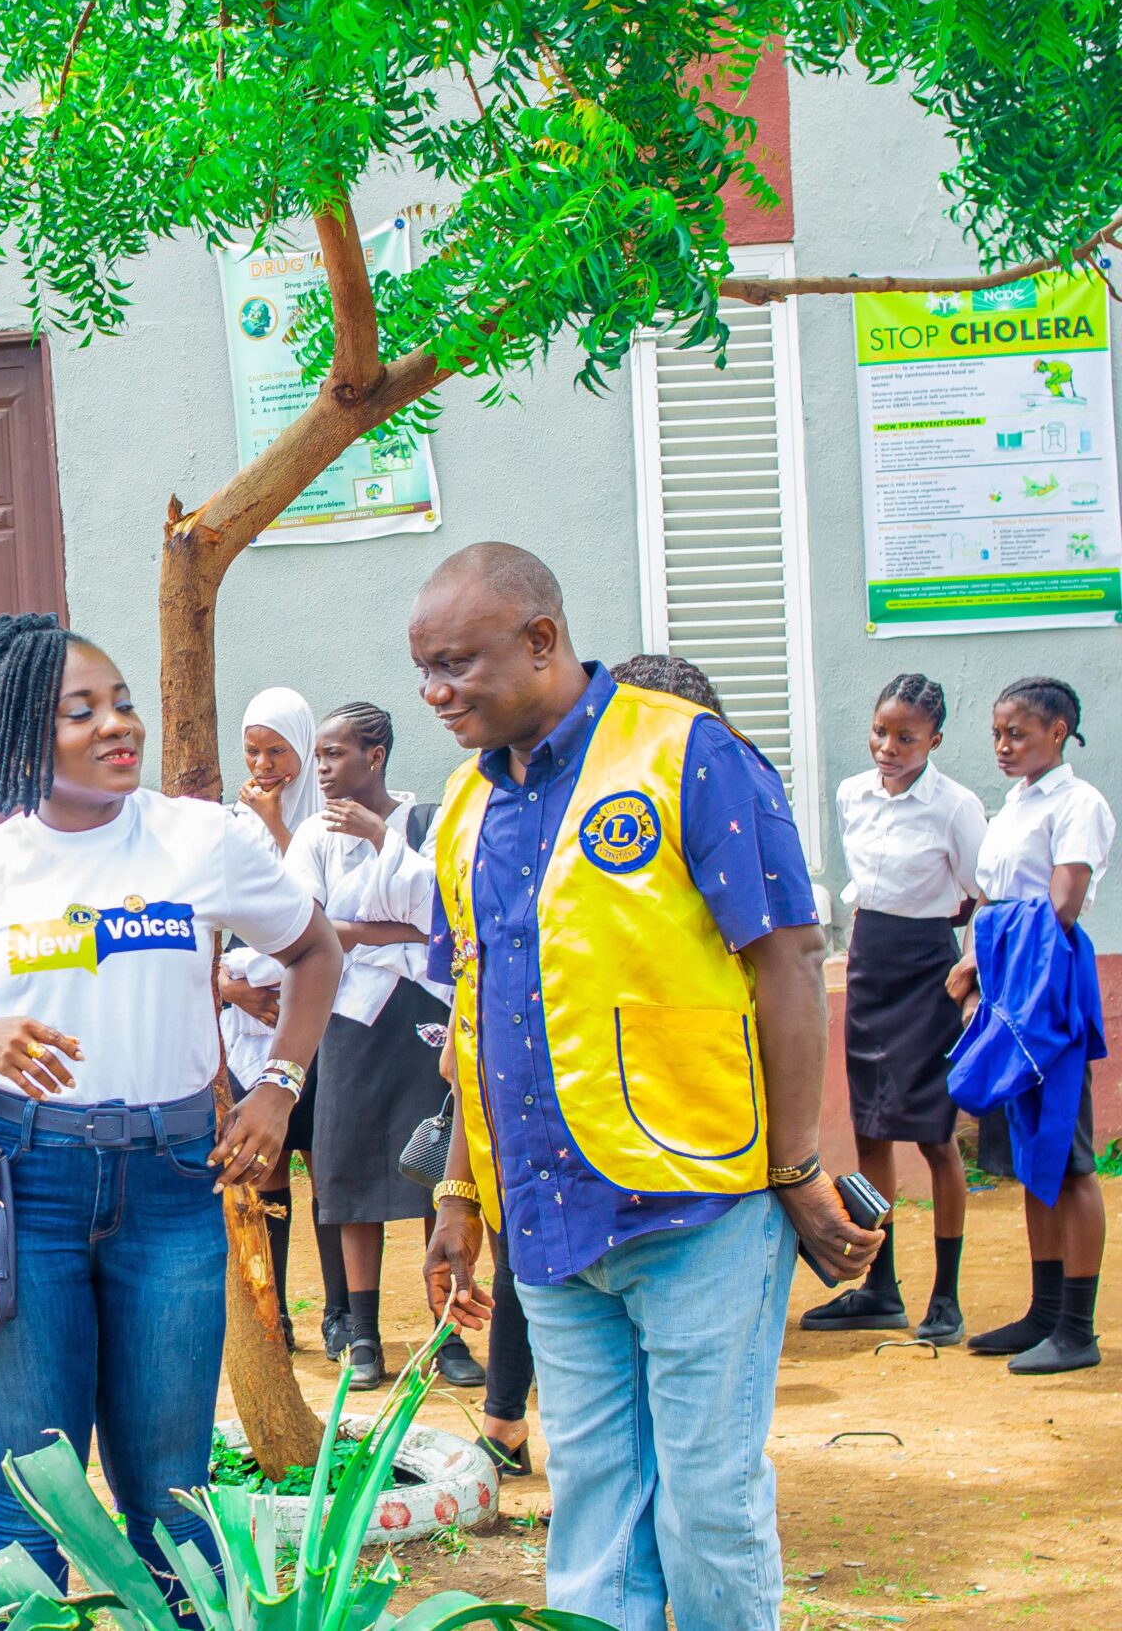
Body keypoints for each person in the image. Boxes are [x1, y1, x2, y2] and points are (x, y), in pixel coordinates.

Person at [416, 545, 877, 1631]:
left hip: (697, 1206)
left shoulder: (687, 754)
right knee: (592, 1508)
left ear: (541, 640)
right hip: (548, 1221)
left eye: (455, 664)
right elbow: (472, 1017)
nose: (435, 693)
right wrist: (459, 1195)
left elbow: (788, 959)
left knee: (708, 1506)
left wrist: (796, 1165)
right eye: (423, 669)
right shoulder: (462, 809)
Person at [0, 614, 342, 1595]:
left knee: (171, 1495)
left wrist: (278, 1086)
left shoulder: (200, 839)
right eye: (80, 711)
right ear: (22, 733)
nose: (117, 725)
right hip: (26, 1191)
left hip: (173, 1188)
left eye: (122, 702)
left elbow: (315, 949)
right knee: (27, 1494)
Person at [282, 702, 479, 1390]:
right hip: (349, 1017)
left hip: (425, 1012)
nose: (323, 769)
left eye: (335, 754)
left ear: (376, 754)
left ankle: (449, 1332)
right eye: (319, 756)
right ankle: (363, 1334)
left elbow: (446, 915)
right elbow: (309, 926)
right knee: (351, 1170)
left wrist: (381, 841)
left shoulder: (426, 824)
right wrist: (396, 931)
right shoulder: (312, 835)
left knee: (435, 1168)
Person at [802, 674, 985, 1344]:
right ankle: (882, 1289)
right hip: (870, 963)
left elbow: (982, 892)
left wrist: (970, 964)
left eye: (906, 737)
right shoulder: (853, 793)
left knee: (935, 1136)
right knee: (873, 1130)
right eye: (881, 732)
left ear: (934, 740)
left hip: (929, 972)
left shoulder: (956, 805)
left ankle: (946, 1297)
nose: (888, 747)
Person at [948, 675, 1113, 1374]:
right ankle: (1044, 1313)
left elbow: (1062, 904)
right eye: (996, 733)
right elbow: (991, 898)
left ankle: (1078, 1328)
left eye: (1017, 733)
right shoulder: (1015, 804)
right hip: (1006, 982)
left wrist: (988, 954)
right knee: (1026, 1154)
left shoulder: (1079, 803)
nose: (1003, 745)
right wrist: (973, 969)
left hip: (1046, 984)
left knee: (1067, 1158)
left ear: (1058, 731)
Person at [218, 686, 348, 1359]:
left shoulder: (329, 825)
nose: (264, 766)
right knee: (264, 1169)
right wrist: (231, 988)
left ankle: (341, 1314)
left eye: (278, 752)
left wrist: (276, 827)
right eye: (253, 752)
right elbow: (208, 929)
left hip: (321, 1027)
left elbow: (324, 915)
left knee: (327, 1168)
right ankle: (274, 1315)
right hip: (252, 1027)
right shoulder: (227, 827)